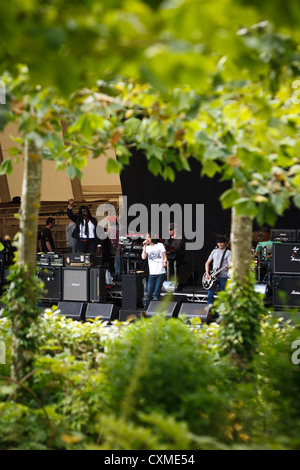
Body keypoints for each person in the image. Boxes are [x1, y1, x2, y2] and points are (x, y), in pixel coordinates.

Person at [142, 232, 167, 307]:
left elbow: (164, 256)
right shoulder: (147, 247)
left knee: (156, 293)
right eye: (146, 237)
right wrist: (144, 246)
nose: (147, 239)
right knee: (149, 293)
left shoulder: (160, 245)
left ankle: (157, 309)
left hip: (160, 272)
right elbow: (143, 257)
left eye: (148, 237)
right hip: (152, 273)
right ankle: (148, 308)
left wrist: (165, 262)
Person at [205, 235, 232, 304]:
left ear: (225, 243)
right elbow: (207, 262)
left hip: (223, 276)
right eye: (218, 242)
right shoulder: (214, 251)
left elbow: (230, 264)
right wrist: (207, 273)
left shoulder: (228, 252)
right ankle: (209, 310)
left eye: (221, 242)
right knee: (209, 294)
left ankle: (221, 312)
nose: (220, 244)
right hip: (213, 276)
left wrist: (231, 265)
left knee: (222, 295)